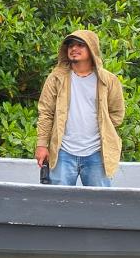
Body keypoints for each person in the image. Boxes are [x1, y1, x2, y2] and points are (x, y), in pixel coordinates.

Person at [35, 30, 125, 187]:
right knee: (58, 203)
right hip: (63, 152)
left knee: (99, 204)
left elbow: (117, 114)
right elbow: (45, 113)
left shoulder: (108, 80)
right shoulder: (56, 78)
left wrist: (103, 128)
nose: (73, 48)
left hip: (98, 153)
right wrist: (42, 145)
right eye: (70, 45)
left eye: (80, 45)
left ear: (92, 49)